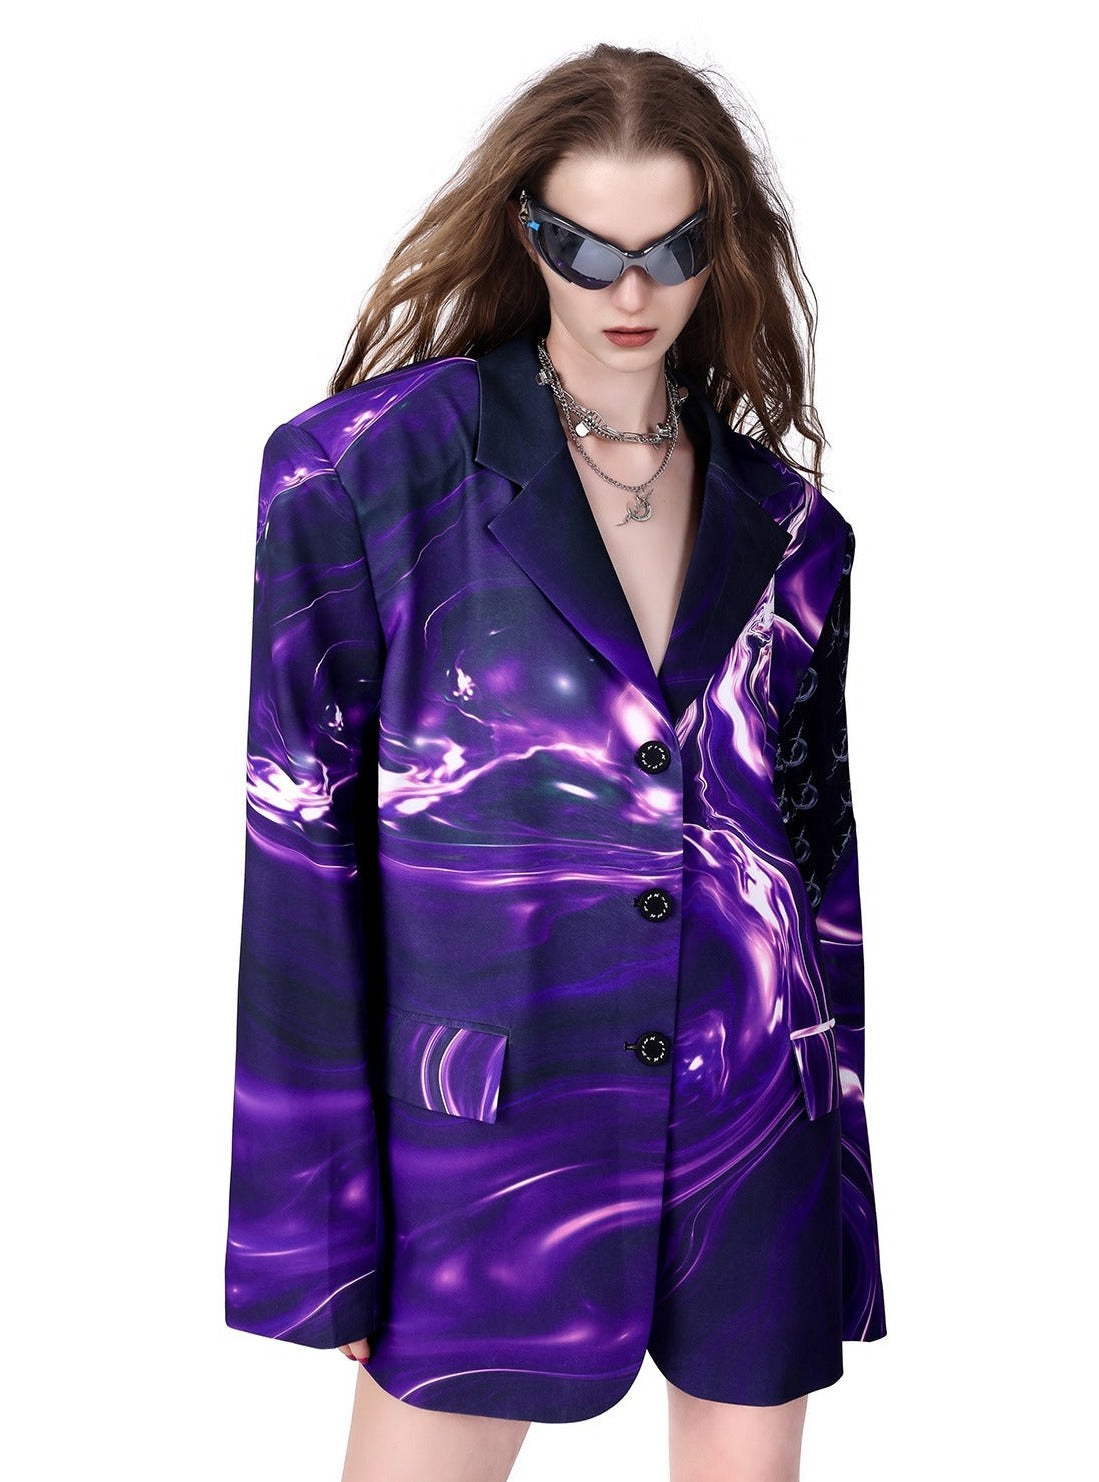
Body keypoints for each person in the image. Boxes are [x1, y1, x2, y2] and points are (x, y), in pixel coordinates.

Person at [224, 42, 887, 1482]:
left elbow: (821, 881)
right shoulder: (365, 478)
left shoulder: (793, 532)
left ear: (724, 244)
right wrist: (322, 1235)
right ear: (528, 234)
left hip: (751, 1122)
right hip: (486, 1148)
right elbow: (299, 858)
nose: (630, 291)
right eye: (588, 248)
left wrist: (841, 1196)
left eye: (673, 248)